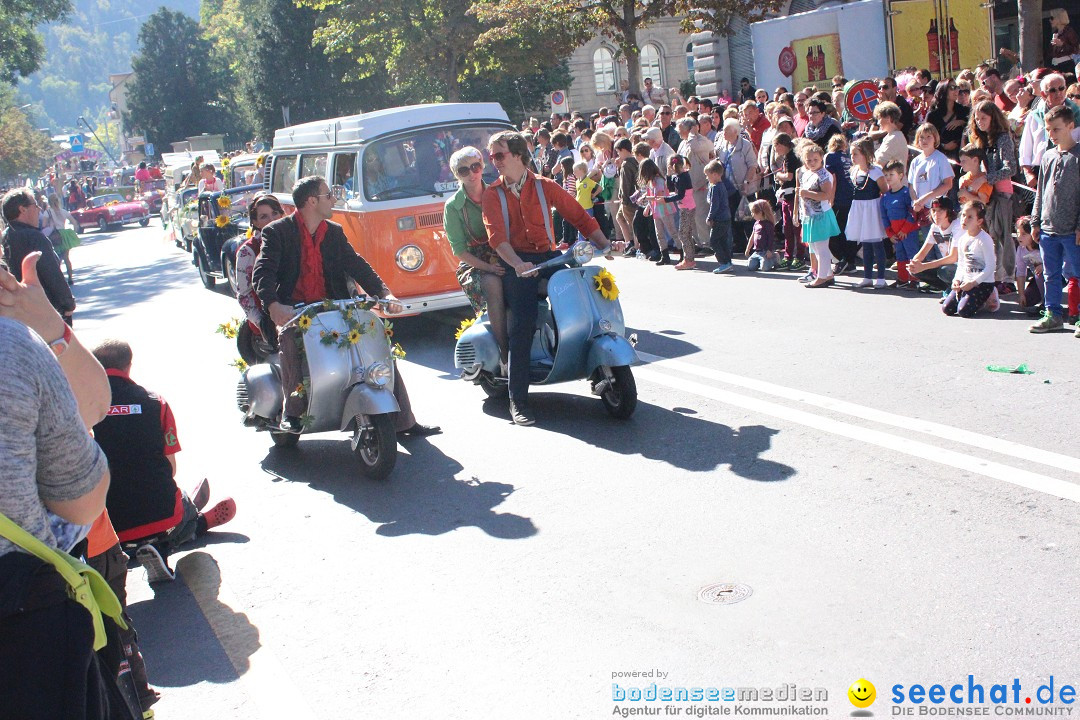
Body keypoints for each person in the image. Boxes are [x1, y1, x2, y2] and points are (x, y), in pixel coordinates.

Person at [0, 250, 120, 720]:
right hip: (26, 631)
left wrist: (48, 329)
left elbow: (96, 404)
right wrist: (40, 331)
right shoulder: (11, 349)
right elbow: (81, 497)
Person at [253, 176, 441, 435]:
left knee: (378, 346)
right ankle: (292, 412)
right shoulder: (278, 232)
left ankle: (404, 420)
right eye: (328, 195)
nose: (333, 199)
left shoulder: (334, 232)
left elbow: (357, 265)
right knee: (289, 341)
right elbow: (263, 272)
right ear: (312, 201)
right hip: (295, 312)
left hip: (336, 308)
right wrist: (274, 306)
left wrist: (386, 294)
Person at [480, 131, 608, 426]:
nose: (493, 161)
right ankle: (518, 400)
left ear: (517, 155)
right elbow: (497, 238)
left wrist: (604, 244)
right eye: (491, 156)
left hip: (549, 257)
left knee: (583, 299)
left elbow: (578, 215)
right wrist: (518, 264)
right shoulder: (492, 194)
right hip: (515, 261)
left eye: (498, 155)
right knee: (522, 324)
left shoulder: (544, 186)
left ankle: (596, 368)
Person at [91, 339, 236, 581]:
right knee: (176, 508)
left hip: (108, 525)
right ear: (129, 366)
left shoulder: (79, 406)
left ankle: (139, 550)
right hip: (161, 514)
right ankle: (193, 525)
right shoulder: (156, 402)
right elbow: (170, 468)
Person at [444, 148, 508, 367]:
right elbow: (459, 250)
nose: (471, 173)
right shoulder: (453, 207)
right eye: (464, 170)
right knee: (493, 284)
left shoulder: (498, 192)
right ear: (456, 174)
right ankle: (505, 351)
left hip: (504, 252)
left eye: (475, 167)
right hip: (475, 262)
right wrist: (488, 268)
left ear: (482, 166)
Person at [1028, 104, 1080, 335]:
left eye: (1056, 129)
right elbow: (1040, 190)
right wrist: (1035, 221)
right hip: (1048, 227)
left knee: (1078, 273)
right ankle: (1053, 314)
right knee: (1050, 274)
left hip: (1072, 228)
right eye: (1048, 129)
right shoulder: (1048, 156)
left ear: (1071, 126)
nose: (1052, 134)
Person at [1, 188, 75, 323]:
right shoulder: (34, 236)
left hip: (18, 312)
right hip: (46, 310)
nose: (39, 209)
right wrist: (67, 303)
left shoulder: (6, 236)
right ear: (22, 209)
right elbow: (51, 272)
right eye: (35, 205)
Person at [967, 100, 1018, 287]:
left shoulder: (1003, 138)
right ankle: (993, 275)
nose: (980, 122)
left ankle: (1008, 278)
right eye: (977, 118)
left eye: (984, 118)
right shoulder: (980, 139)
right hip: (984, 195)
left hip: (1002, 193)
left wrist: (987, 178)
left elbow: (1010, 168)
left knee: (1004, 236)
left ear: (993, 118)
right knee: (990, 236)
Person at [235, 194, 285, 335]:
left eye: (275, 213)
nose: (272, 220)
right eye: (264, 217)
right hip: (269, 326)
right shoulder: (248, 251)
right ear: (256, 222)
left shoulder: (295, 240)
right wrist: (262, 324)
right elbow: (244, 294)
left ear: (282, 215)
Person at [846, 137, 889, 288]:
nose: (853, 157)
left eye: (855, 154)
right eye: (851, 154)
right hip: (859, 209)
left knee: (876, 243)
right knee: (865, 243)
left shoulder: (876, 172)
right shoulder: (854, 171)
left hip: (872, 209)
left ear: (865, 154)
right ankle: (867, 276)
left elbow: (885, 191)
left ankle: (881, 277)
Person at [796, 142, 840, 288]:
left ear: (821, 158)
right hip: (810, 216)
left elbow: (826, 195)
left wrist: (807, 193)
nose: (812, 163)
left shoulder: (823, 175)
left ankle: (821, 277)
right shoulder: (807, 173)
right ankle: (827, 274)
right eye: (808, 160)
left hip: (820, 215)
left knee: (821, 247)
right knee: (815, 247)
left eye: (815, 159)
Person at [943, 201, 997, 317]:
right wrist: (956, 280)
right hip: (966, 281)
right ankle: (967, 297)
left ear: (979, 221)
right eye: (963, 215)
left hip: (982, 282)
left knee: (964, 311)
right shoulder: (963, 239)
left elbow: (991, 266)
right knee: (947, 309)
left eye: (970, 217)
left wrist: (973, 283)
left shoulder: (985, 239)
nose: (964, 220)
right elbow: (961, 264)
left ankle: (990, 295)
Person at [908, 123, 955, 240]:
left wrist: (925, 198)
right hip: (921, 210)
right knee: (927, 243)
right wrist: (916, 201)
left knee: (940, 245)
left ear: (935, 139)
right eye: (922, 137)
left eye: (929, 137)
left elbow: (948, 184)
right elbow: (911, 185)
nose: (925, 140)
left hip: (937, 209)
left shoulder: (940, 158)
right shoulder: (915, 161)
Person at [880, 160, 921, 289]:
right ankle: (902, 279)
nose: (888, 178)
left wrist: (905, 229)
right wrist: (890, 233)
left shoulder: (906, 193)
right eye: (886, 175)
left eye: (891, 175)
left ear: (901, 175)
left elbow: (913, 212)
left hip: (908, 232)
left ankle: (915, 279)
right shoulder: (885, 197)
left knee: (912, 254)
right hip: (896, 233)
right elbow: (884, 217)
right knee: (900, 255)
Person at [909, 196, 962, 292]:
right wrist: (913, 263)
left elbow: (953, 258)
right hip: (948, 266)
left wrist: (924, 266)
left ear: (949, 212)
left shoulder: (957, 226)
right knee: (916, 270)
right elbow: (922, 252)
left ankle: (956, 291)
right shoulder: (935, 227)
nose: (936, 215)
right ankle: (948, 290)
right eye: (933, 211)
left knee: (944, 271)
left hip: (963, 268)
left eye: (940, 211)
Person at [771, 133, 804, 272]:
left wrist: (778, 175)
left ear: (781, 144)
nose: (775, 149)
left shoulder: (792, 157)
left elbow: (790, 176)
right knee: (787, 228)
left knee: (796, 228)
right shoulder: (786, 157)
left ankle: (799, 257)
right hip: (786, 196)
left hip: (793, 197)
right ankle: (788, 255)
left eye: (776, 146)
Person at [657, 155, 696, 270]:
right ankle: (689, 258)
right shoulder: (677, 176)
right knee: (686, 233)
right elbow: (670, 189)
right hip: (684, 208)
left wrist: (666, 200)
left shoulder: (684, 177)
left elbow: (680, 195)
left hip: (687, 208)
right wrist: (668, 176)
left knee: (683, 234)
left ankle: (688, 259)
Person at [825, 134, 856, 274]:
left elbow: (833, 178)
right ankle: (850, 262)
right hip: (851, 197)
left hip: (838, 198)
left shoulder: (830, 157)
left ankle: (840, 259)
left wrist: (830, 199)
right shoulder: (849, 158)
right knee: (848, 230)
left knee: (834, 231)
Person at [640, 158, 678, 265]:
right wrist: (648, 206)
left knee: (672, 231)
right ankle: (664, 255)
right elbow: (652, 197)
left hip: (665, 209)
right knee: (659, 234)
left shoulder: (659, 180)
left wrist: (646, 198)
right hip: (656, 210)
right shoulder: (650, 182)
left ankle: (682, 252)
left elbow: (659, 195)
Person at [926, 80, 970, 161]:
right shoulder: (933, 115)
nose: (957, 90)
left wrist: (962, 122)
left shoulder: (964, 111)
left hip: (961, 158)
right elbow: (926, 137)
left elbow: (972, 129)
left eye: (957, 87)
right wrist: (943, 146)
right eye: (952, 88)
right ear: (943, 90)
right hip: (939, 158)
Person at [704, 160, 734, 274]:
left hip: (720, 219)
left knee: (714, 241)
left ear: (715, 174)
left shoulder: (715, 187)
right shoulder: (721, 186)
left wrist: (709, 217)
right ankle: (728, 262)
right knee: (722, 241)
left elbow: (714, 205)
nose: (707, 178)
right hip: (726, 218)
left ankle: (723, 262)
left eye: (708, 175)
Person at [614, 139, 641, 257]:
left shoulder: (626, 164)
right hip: (632, 197)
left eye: (618, 152)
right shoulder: (635, 161)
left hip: (628, 199)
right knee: (619, 217)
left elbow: (625, 183)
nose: (618, 155)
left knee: (633, 223)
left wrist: (624, 199)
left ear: (624, 150)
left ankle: (636, 247)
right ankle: (628, 242)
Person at [44, 194, 77, 285]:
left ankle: (59, 280)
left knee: (57, 259)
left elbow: (43, 225)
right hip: (64, 235)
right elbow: (74, 222)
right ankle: (70, 278)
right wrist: (73, 232)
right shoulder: (63, 211)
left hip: (54, 235)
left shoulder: (47, 212)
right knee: (67, 258)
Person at [1013, 216, 1044, 311]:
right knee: (1027, 301)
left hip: (1054, 276)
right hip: (1038, 280)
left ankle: (1047, 303)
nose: (1019, 237)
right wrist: (1021, 294)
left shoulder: (1042, 246)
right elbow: (1021, 273)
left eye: (1024, 234)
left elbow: (1058, 260)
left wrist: (1043, 266)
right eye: (1018, 233)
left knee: (1039, 274)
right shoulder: (1021, 249)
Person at [873, 102, 909, 173]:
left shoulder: (894, 138)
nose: (878, 122)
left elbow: (879, 164)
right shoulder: (891, 136)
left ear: (888, 118)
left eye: (879, 118)